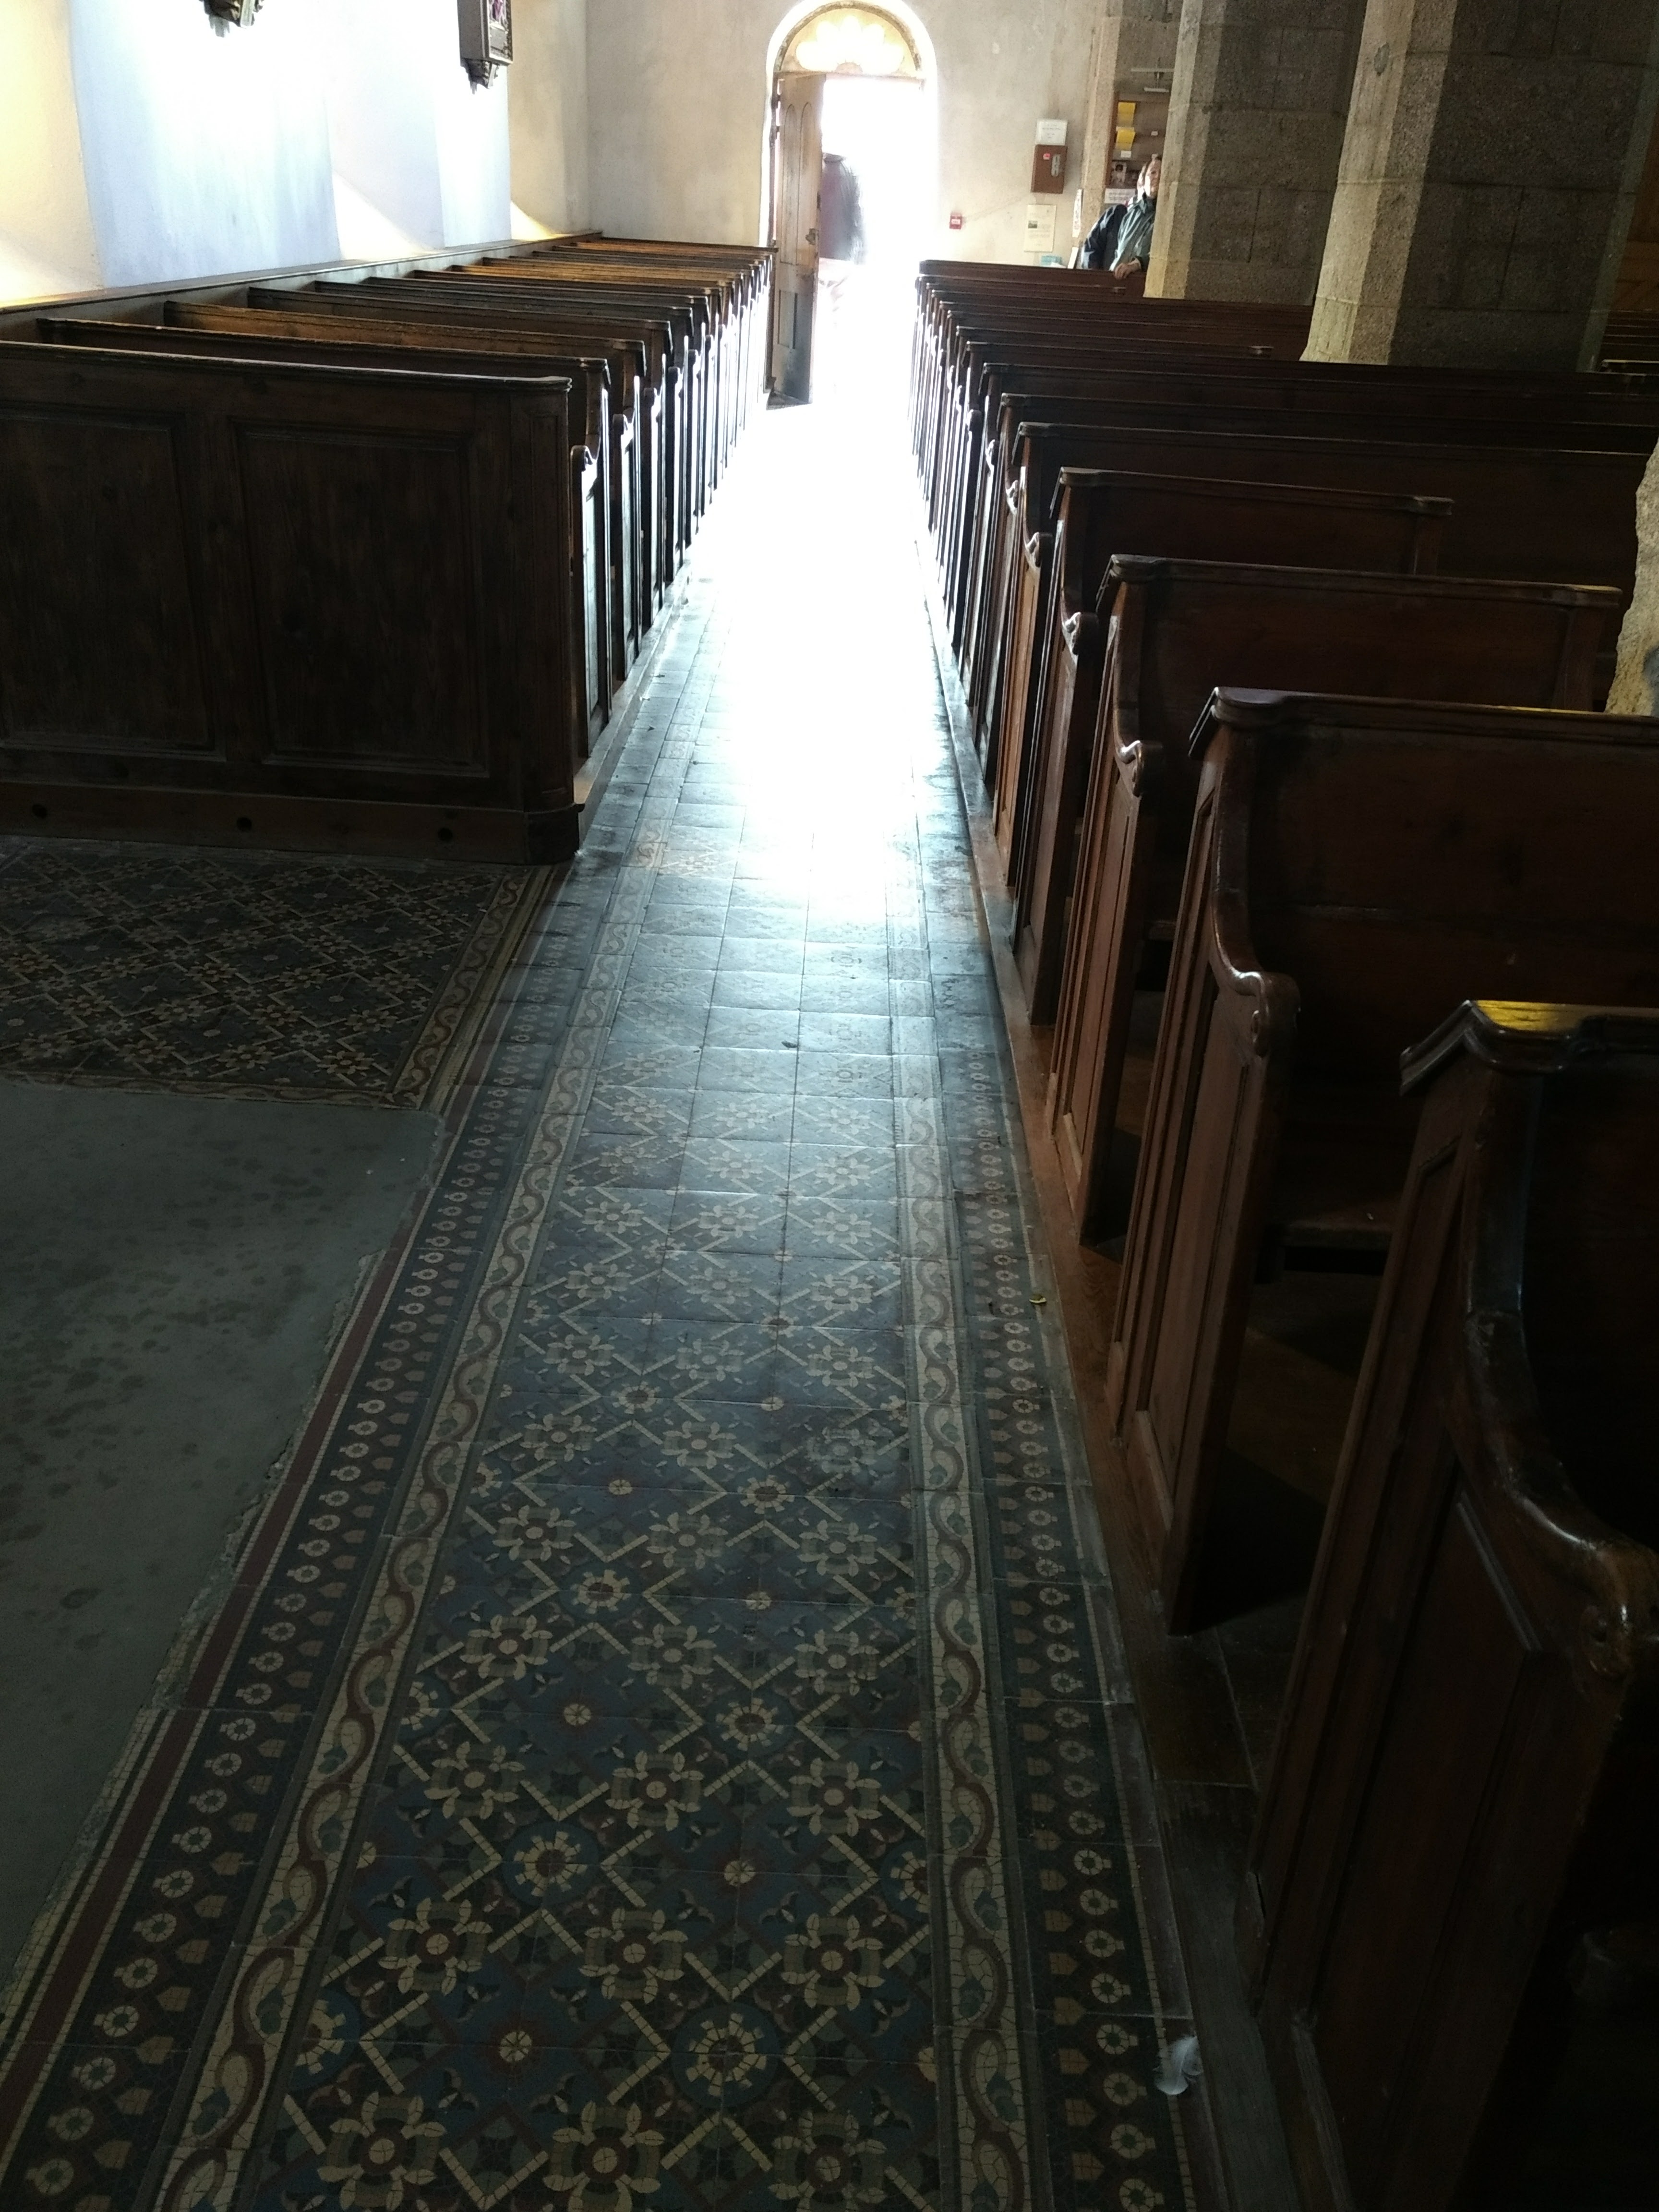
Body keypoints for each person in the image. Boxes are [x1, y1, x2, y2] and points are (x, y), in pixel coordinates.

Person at [1109, 155, 1160, 282]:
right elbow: (1118, 252)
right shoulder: (1131, 214)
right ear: (1143, 180)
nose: (1158, 177)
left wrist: (1137, 264)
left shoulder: (1167, 217)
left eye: (1163, 174)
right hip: (1116, 283)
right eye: (1153, 173)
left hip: (1142, 284)